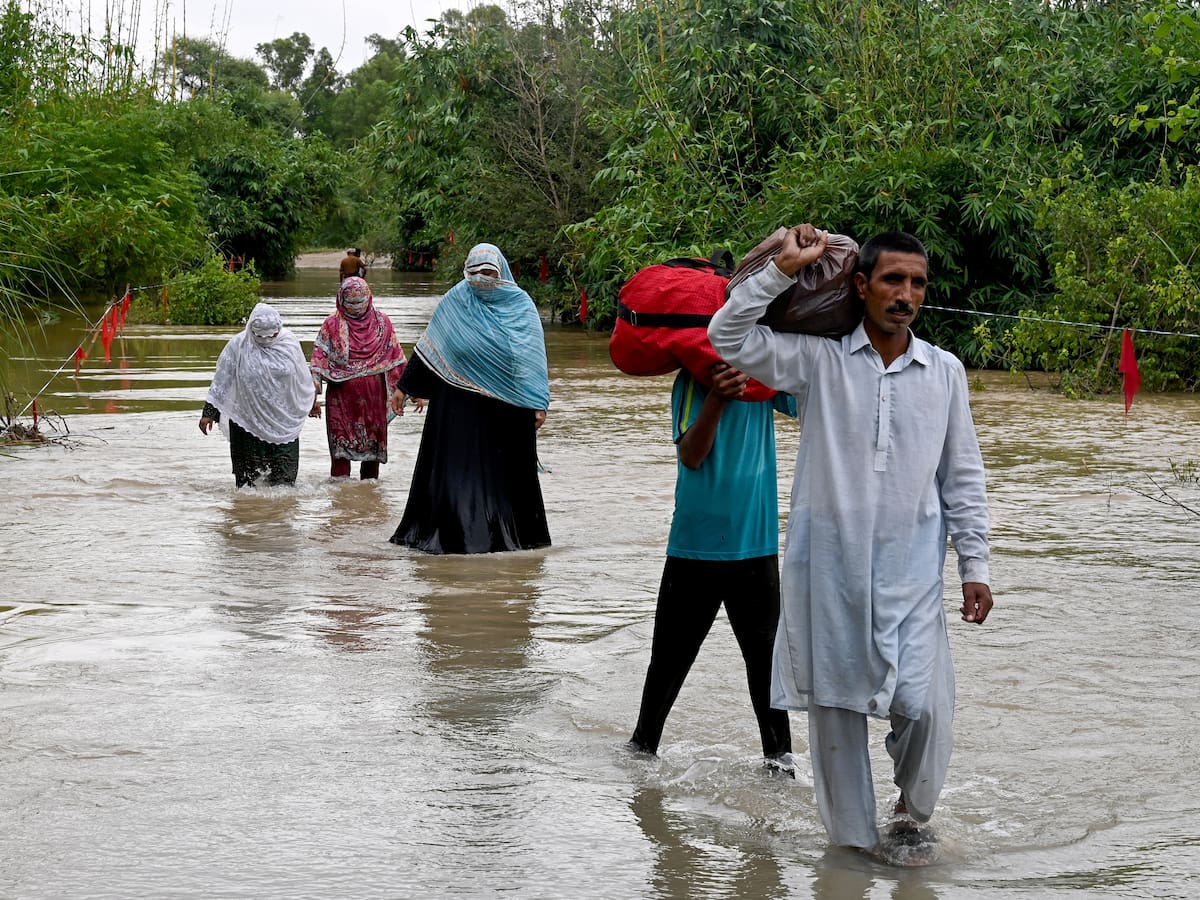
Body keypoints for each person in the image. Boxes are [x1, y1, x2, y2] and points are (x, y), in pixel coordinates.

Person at [708, 226, 994, 864]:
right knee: (835, 714)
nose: (906, 294)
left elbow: (963, 475)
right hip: (828, 572)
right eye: (893, 280)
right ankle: (853, 854)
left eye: (917, 283)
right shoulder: (820, 362)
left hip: (913, 573)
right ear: (861, 286)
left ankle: (910, 816)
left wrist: (975, 564)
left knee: (923, 706)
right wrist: (782, 270)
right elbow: (727, 337)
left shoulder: (944, 372)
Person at [628, 361, 795, 770]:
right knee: (667, 666)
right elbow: (692, 455)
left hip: (756, 546)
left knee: (766, 673)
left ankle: (781, 768)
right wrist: (719, 396)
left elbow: (813, 401)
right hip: (695, 547)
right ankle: (639, 764)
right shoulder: (692, 381)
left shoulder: (765, 378)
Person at [389, 243, 551, 554]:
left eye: (489, 274)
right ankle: (457, 534)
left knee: (506, 479)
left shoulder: (521, 305)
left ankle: (509, 535)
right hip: (458, 406)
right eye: (476, 275)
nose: (483, 280)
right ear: (467, 274)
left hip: (507, 408)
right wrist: (404, 387)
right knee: (457, 475)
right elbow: (432, 347)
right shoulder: (454, 302)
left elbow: (532, 359)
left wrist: (538, 403)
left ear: (501, 271)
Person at [199, 303, 317, 487]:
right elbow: (222, 380)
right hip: (247, 422)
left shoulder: (290, 344)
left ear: (278, 329)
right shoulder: (238, 346)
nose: (266, 339)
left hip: (283, 421)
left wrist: (312, 403)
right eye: (260, 336)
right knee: (248, 484)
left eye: (271, 335)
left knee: (284, 485)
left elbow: (302, 379)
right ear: (251, 330)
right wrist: (209, 413)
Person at [309, 276, 416, 479]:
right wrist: (311, 394)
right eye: (351, 303)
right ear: (341, 300)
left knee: (371, 455)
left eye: (360, 302)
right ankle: (352, 503)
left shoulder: (382, 323)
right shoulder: (332, 325)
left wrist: (412, 390)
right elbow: (317, 361)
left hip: (372, 398)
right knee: (340, 453)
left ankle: (358, 503)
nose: (356, 308)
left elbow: (396, 359)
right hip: (342, 398)